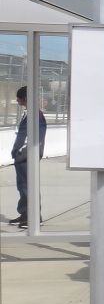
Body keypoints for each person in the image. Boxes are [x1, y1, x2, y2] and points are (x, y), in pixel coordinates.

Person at [8, 86, 46, 229]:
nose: (17, 100)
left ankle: (34, 217)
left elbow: (36, 137)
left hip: (26, 157)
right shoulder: (29, 113)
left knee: (29, 187)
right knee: (23, 187)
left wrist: (21, 153)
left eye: (19, 98)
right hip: (22, 157)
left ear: (25, 98)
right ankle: (25, 213)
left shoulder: (36, 115)